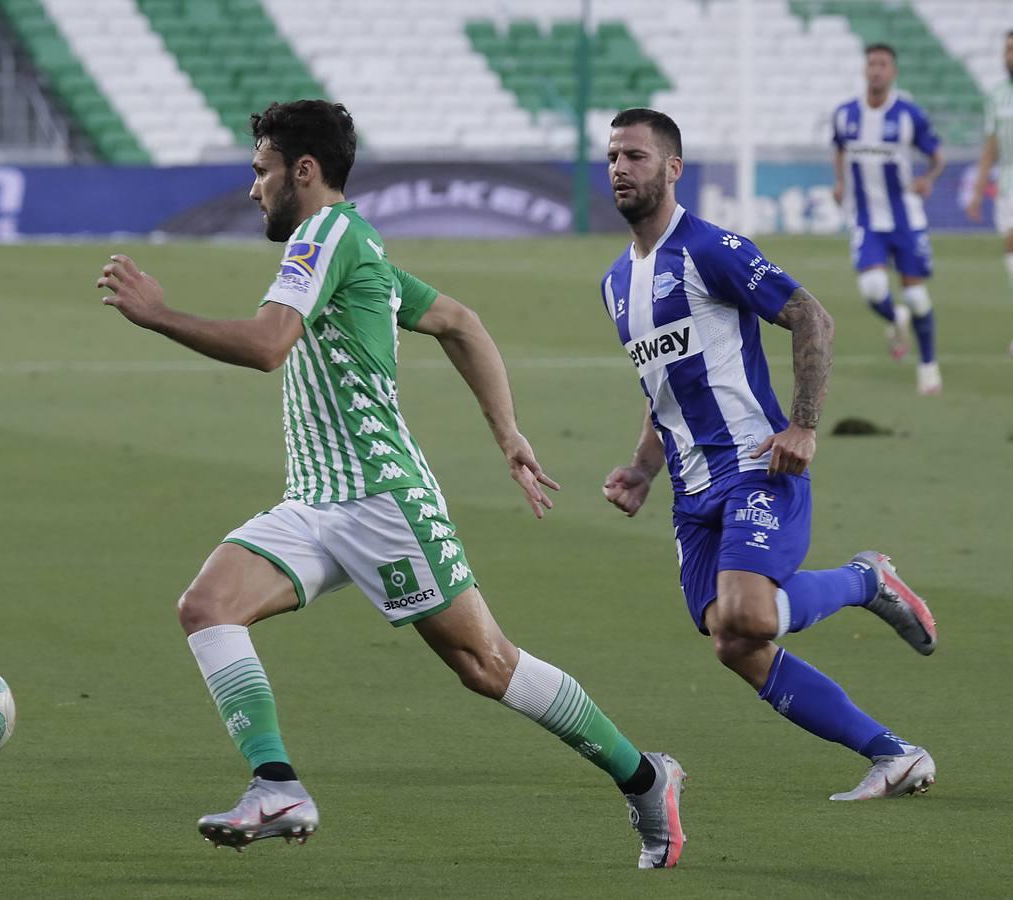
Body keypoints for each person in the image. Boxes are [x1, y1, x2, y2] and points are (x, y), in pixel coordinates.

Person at [96, 100, 687, 868]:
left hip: (380, 500)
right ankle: (276, 784)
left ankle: (647, 780)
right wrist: (508, 435)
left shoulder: (327, 234)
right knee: (206, 607)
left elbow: (272, 345)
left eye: (261, 171)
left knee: (488, 666)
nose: (253, 190)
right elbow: (459, 321)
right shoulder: (357, 245)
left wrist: (159, 314)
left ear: (302, 172)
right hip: (315, 499)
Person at [598, 107, 938, 802]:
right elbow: (665, 387)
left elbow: (812, 315)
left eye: (635, 155)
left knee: (749, 616)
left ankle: (865, 580)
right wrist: (641, 466)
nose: (620, 168)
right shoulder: (614, 283)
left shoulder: (710, 248)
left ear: (672, 167)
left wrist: (805, 425)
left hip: (759, 467)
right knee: (734, 644)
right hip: (692, 498)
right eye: (612, 156)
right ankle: (894, 754)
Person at [832, 43, 946, 394]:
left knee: (917, 298)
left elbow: (937, 155)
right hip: (867, 218)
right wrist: (839, 182)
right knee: (873, 288)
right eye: (871, 64)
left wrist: (928, 178)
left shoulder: (908, 114)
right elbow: (838, 147)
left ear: (893, 71)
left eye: (883, 64)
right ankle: (896, 319)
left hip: (905, 220)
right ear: (865, 70)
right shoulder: (846, 113)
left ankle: (928, 367)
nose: (876, 70)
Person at [966, 29, 1013, 357]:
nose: (1009, 56)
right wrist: (978, 189)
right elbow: (991, 147)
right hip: (1008, 185)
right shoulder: (996, 97)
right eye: (1007, 50)